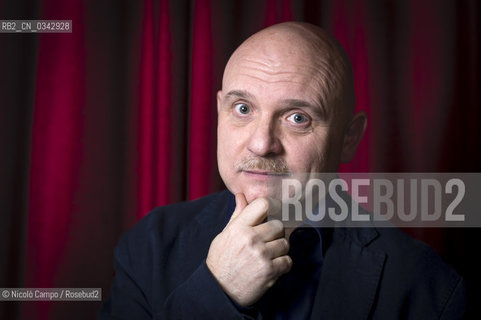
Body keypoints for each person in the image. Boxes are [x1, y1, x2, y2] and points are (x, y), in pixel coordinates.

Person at [99, 22, 466, 319]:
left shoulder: (428, 287)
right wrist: (217, 292)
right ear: (219, 112)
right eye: (242, 108)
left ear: (349, 137)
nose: (261, 144)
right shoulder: (148, 247)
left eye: (297, 118)